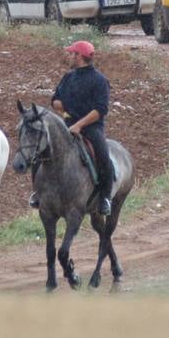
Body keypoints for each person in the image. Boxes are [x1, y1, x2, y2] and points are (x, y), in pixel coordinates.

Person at [42, 40, 114, 216]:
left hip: (91, 128)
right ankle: (39, 193)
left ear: (79, 56)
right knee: (41, 151)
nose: (69, 56)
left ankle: (105, 197)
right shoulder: (68, 77)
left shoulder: (99, 80)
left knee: (103, 156)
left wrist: (79, 125)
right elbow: (55, 101)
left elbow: (100, 110)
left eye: (71, 54)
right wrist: (64, 107)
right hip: (66, 125)